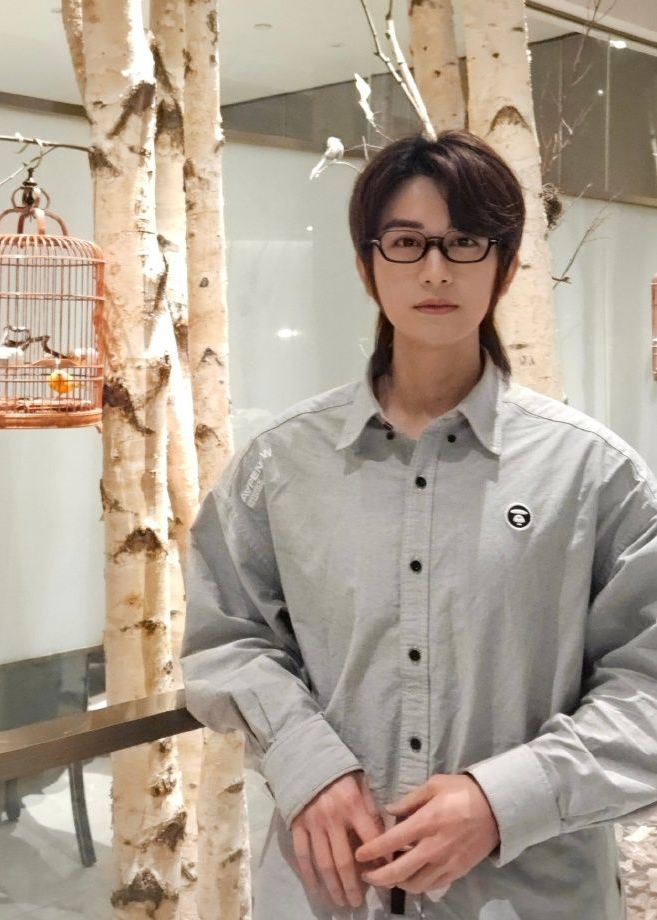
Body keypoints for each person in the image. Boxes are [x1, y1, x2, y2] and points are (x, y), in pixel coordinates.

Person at [181, 132, 657, 919]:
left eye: (464, 242)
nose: (435, 270)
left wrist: (506, 798)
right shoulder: (280, 464)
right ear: (368, 265)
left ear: (503, 266)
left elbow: (647, 686)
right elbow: (226, 639)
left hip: (527, 893)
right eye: (407, 242)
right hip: (330, 892)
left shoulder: (592, 473)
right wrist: (308, 763)